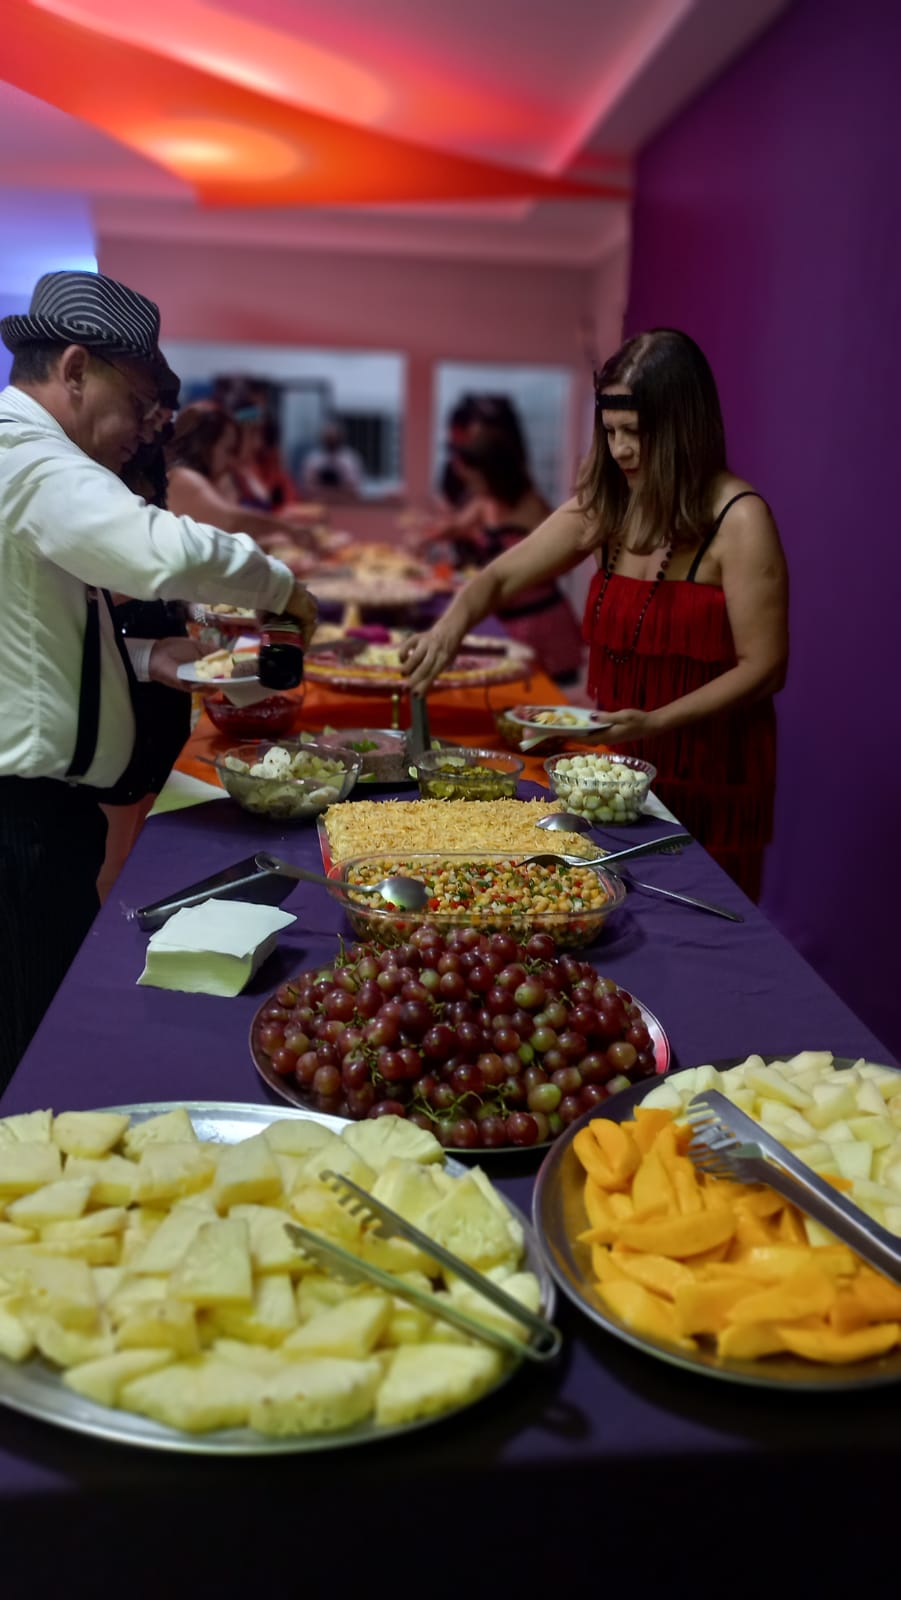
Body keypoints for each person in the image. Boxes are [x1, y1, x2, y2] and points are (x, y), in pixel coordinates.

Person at [0, 269, 318, 1088]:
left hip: (41, 815)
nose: (144, 430)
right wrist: (284, 589)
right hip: (19, 820)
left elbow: (35, 637)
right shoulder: (25, 453)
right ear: (75, 369)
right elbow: (159, 551)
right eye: (137, 401)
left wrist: (147, 659)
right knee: (35, 1059)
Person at [402, 329, 788, 899]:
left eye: (636, 433)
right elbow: (499, 576)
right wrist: (449, 625)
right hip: (618, 758)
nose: (621, 450)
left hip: (709, 766)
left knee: (699, 917)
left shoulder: (740, 519)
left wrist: (656, 722)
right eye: (610, 432)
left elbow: (765, 667)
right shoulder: (608, 505)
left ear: (683, 428)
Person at [437, 428, 582, 684]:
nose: (471, 483)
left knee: (549, 696)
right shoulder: (485, 501)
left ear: (493, 472)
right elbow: (456, 527)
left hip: (543, 623)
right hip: (508, 623)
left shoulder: (532, 505)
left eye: (476, 476)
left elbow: (563, 562)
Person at [166, 401, 319, 568]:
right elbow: (230, 521)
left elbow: (226, 542)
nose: (231, 462)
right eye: (228, 450)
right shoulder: (183, 477)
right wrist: (288, 529)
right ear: (204, 445)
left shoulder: (188, 478)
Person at [300, 422, 364, 497]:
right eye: (329, 438)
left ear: (340, 438)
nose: (332, 441)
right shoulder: (313, 459)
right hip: (319, 497)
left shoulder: (349, 459)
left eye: (334, 438)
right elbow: (307, 484)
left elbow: (354, 485)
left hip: (343, 498)